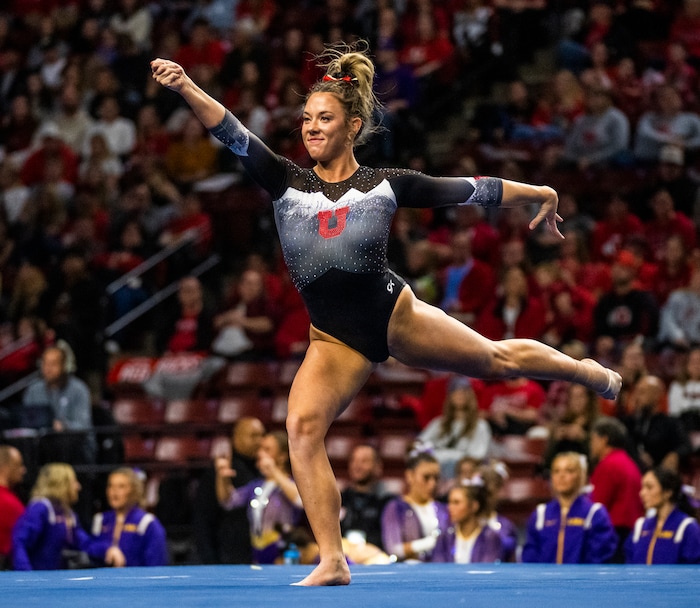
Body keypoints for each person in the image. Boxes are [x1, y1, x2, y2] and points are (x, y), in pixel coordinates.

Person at [151, 43, 621, 586]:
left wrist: (537, 192)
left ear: (353, 126)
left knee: (496, 359)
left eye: (323, 118)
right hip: (334, 339)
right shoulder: (284, 181)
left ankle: (585, 370)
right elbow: (230, 130)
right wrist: (186, 85)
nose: (310, 128)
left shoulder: (385, 184)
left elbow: (472, 191)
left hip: (392, 314)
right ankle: (332, 558)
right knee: (301, 428)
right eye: (305, 119)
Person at [215, 430, 303, 565]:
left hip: (284, 554)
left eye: (267, 449)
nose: (260, 453)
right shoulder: (257, 486)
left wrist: (275, 472)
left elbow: (300, 500)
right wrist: (222, 477)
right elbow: (228, 501)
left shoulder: (291, 484)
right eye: (260, 449)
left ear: (282, 456)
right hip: (258, 552)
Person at [522, 452, 617, 564]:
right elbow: (530, 553)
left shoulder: (594, 513)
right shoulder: (541, 514)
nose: (562, 476)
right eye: (556, 471)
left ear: (581, 475)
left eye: (569, 471)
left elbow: (600, 553)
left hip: (581, 579)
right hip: (546, 579)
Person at [193, 416, 265, 564]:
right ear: (236, 438)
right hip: (229, 555)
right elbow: (204, 518)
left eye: (261, 435)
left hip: (263, 555)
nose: (259, 441)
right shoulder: (221, 470)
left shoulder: (265, 469)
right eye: (253, 436)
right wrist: (209, 558)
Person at [11, 463, 93, 570]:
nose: (78, 486)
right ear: (62, 484)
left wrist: (109, 549)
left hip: (57, 579)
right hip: (38, 579)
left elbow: (85, 544)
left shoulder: (69, 514)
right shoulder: (40, 508)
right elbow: (19, 542)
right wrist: (26, 576)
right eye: (74, 481)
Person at [588, 416, 644, 562]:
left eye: (593, 440)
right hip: (631, 531)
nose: (591, 445)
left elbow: (596, 505)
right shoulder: (628, 462)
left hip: (614, 534)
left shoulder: (608, 465)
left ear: (604, 439)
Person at [381, 450, 450, 563]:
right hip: (408, 572)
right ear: (410, 476)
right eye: (426, 477)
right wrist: (430, 542)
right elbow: (393, 549)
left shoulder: (443, 509)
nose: (432, 484)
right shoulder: (395, 508)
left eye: (436, 478)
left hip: (438, 572)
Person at [89, 468, 168, 567]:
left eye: (121, 487)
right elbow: (89, 549)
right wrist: (106, 550)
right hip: (103, 580)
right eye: (110, 486)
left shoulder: (147, 523)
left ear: (134, 490)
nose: (114, 492)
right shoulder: (100, 520)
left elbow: (156, 563)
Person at [416, 376, 492, 478]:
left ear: (471, 395)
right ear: (450, 396)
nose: (460, 395)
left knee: (466, 467)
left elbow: (477, 455)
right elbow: (420, 445)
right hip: (435, 471)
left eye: (464, 391)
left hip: (463, 473)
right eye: (456, 391)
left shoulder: (480, 426)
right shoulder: (438, 423)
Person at [625, 466, 700, 564]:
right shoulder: (640, 526)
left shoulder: (687, 527)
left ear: (667, 492)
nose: (642, 493)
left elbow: (693, 569)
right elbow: (629, 564)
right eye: (642, 487)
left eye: (649, 487)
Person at [432, 478, 503, 563]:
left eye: (456, 502)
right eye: (449, 502)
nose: (449, 507)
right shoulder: (445, 537)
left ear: (474, 506)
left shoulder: (489, 537)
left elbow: (487, 569)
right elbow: (438, 567)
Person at [340, 443, 395, 550]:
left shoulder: (387, 502)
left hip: (375, 557)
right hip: (343, 554)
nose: (357, 465)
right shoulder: (340, 499)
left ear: (378, 467)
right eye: (354, 460)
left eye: (364, 461)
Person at [0, 446, 26, 569]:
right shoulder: (10, 503)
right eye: (18, 464)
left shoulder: (12, 501)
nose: (23, 470)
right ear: (5, 468)